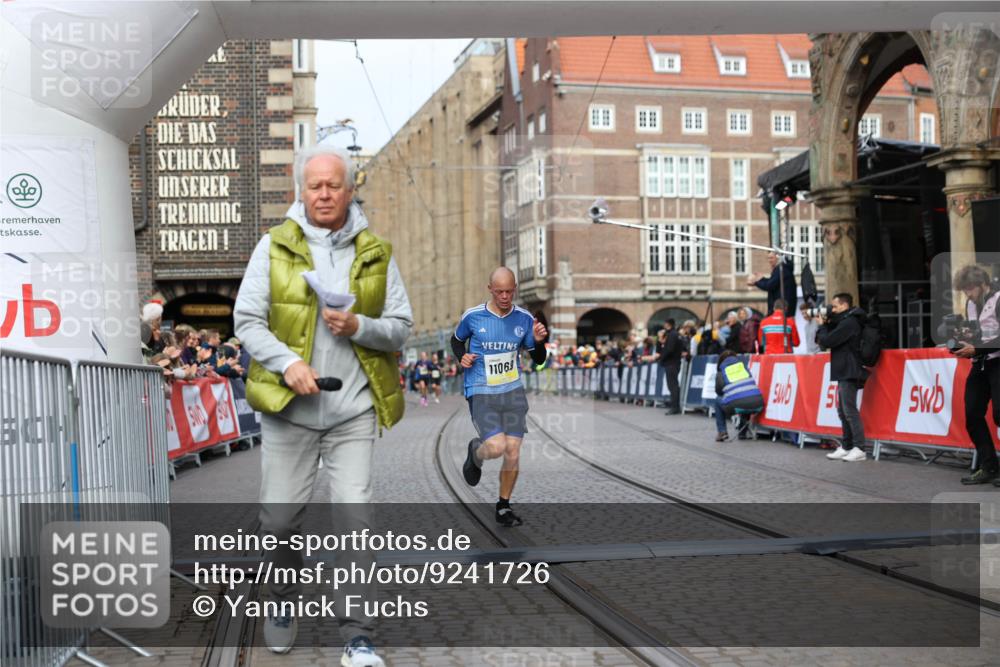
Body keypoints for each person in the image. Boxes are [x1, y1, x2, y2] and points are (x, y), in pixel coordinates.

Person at [234, 144, 412, 665]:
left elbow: (402, 329)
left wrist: (361, 326)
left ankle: (357, 635)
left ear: (351, 190)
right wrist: (288, 362)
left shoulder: (375, 251)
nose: (325, 193)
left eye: (335, 184)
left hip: (352, 411)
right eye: (315, 185)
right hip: (290, 412)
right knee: (280, 521)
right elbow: (247, 320)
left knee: (356, 519)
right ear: (301, 191)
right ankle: (284, 599)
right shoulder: (273, 247)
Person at [452, 267, 547, 526]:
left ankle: (503, 505)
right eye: (500, 291)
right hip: (481, 389)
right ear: (490, 289)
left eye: (509, 291)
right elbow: (456, 340)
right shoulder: (473, 316)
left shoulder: (524, 318)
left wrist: (539, 343)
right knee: (495, 448)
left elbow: (539, 360)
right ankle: (476, 452)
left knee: (513, 451)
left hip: (512, 390)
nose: (505, 296)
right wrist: (462, 356)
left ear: (514, 289)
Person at [950, 266, 1000, 485]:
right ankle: (988, 466)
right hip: (980, 364)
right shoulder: (971, 304)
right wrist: (966, 339)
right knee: (972, 415)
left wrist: (977, 348)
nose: (967, 294)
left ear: (982, 284)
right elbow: (979, 334)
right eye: (964, 290)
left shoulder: (998, 298)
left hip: (997, 361)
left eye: (970, 288)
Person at [815, 293, 867, 462]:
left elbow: (829, 341)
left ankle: (859, 447)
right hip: (843, 368)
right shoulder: (844, 321)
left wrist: (822, 326)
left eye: (835, 306)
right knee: (842, 410)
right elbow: (824, 340)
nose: (833, 309)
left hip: (849, 369)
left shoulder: (850, 323)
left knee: (849, 410)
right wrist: (827, 323)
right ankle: (847, 446)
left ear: (844, 306)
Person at [712, 350, 764, 441]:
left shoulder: (721, 372)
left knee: (717, 400)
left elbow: (718, 392)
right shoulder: (744, 368)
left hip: (736, 405)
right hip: (758, 404)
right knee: (745, 398)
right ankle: (743, 433)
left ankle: (722, 432)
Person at [657, 319, 683, 415]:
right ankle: (675, 406)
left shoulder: (672, 335)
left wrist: (662, 358)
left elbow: (669, 349)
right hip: (674, 362)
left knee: (672, 385)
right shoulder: (675, 334)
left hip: (672, 362)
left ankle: (675, 407)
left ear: (667, 324)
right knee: (673, 385)